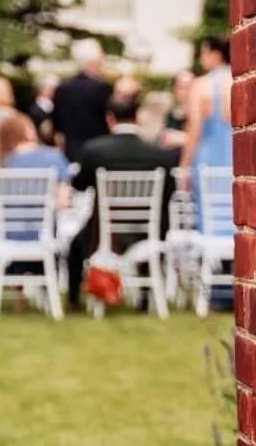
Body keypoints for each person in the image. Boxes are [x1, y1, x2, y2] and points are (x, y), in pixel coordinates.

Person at [66, 90, 179, 309]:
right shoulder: (158, 154)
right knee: (153, 231)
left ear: (110, 118)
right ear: (136, 118)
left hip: (103, 234)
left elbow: (78, 185)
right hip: (147, 232)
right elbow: (170, 192)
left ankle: (73, 301)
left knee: (75, 246)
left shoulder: (94, 150)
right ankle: (145, 297)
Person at [181, 36, 236, 229]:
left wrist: (184, 165)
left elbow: (194, 128)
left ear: (215, 54)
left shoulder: (200, 85)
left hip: (208, 157)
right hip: (235, 155)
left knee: (209, 214)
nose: (201, 58)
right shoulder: (239, 80)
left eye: (203, 53)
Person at [52, 38, 114, 165]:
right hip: (100, 152)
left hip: (72, 152)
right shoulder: (104, 89)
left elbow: (57, 126)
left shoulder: (62, 89)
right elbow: (110, 120)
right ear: (93, 62)